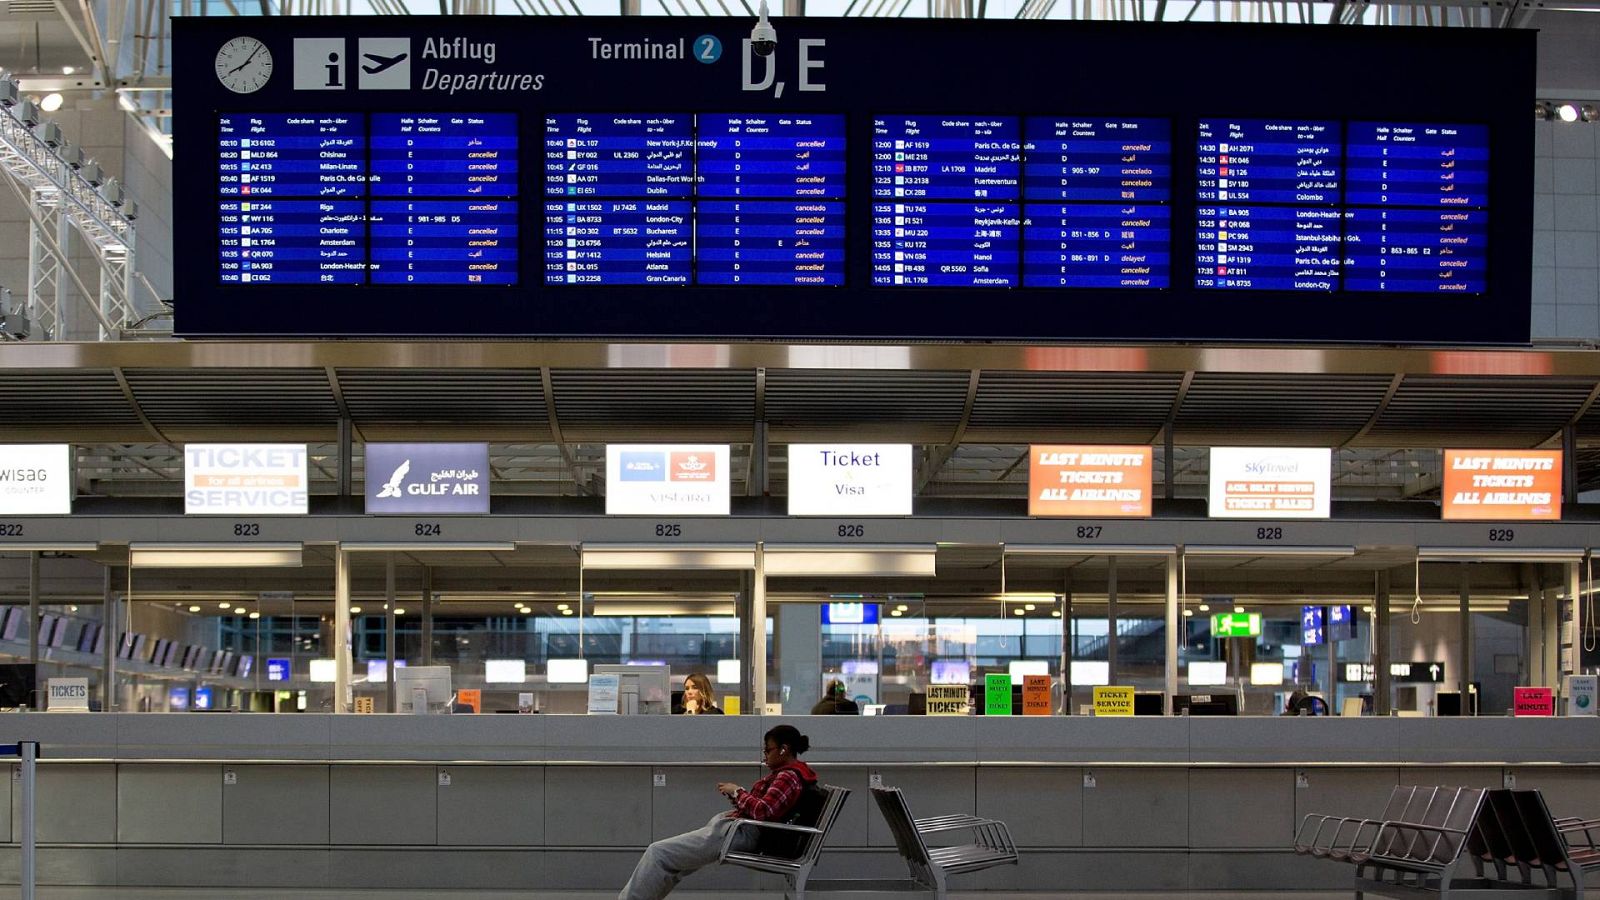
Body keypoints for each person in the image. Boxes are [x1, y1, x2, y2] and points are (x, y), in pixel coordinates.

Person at [617, 724, 816, 900]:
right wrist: (738, 798)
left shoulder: (787, 777)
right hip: (740, 830)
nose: (764, 755)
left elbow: (763, 811)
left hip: (742, 833)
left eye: (768, 749)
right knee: (675, 863)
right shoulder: (794, 774)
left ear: (784, 749)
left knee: (658, 853)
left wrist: (737, 792)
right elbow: (766, 809)